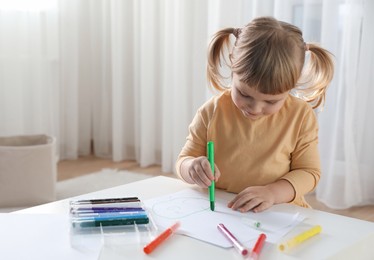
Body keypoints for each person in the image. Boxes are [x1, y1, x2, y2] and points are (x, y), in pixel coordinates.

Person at [175, 16, 334, 213]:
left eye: (271, 101)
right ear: (233, 65)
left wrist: (272, 193)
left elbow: (309, 173)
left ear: (291, 85)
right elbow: (184, 160)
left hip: (279, 211)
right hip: (224, 210)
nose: (255, 108)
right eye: (244, 94)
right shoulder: (211, 111)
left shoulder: (300, 116)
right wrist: (191, 168)